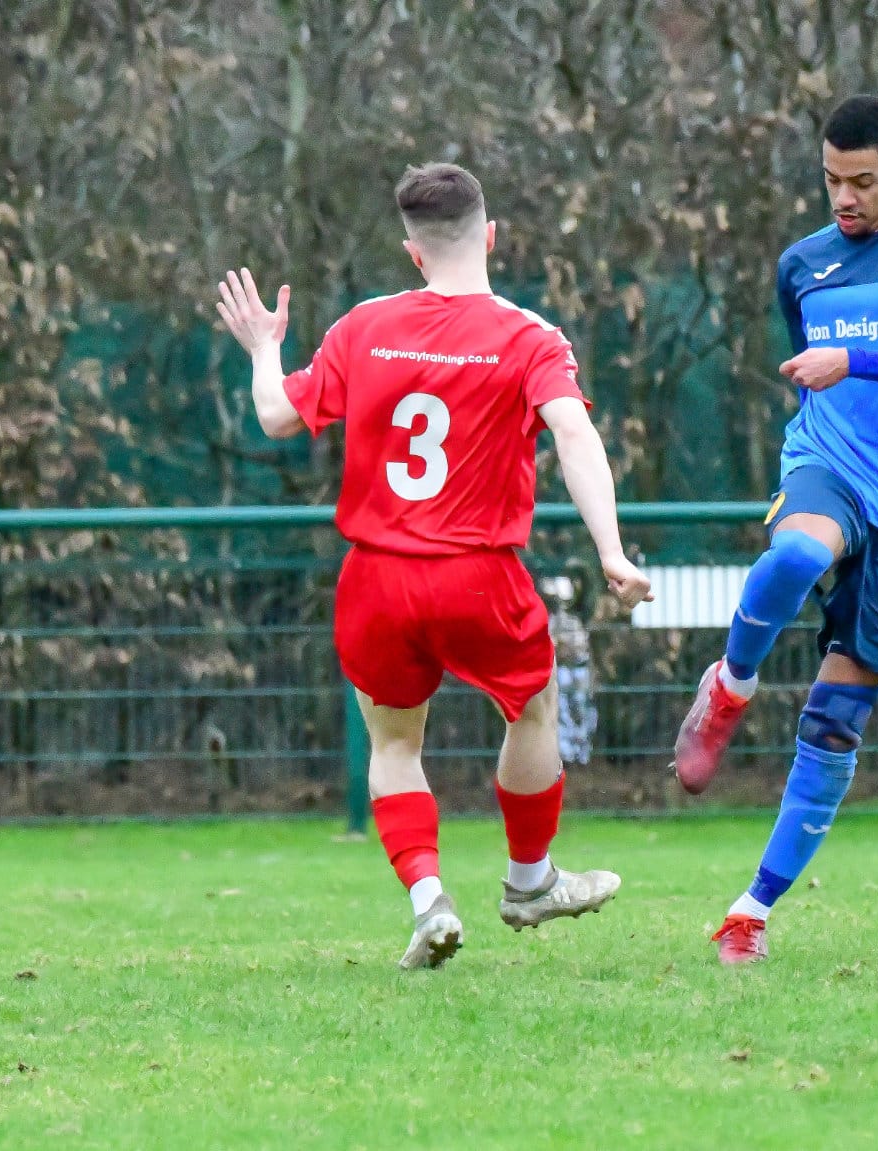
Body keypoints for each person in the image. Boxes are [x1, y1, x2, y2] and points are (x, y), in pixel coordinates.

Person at [215, 162, 653, 970]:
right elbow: (574, 433)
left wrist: (264, 348)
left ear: (412, 252)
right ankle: (530, 880)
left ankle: (428, 901)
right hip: (477, 572)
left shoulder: (363, 326)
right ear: (491, 237)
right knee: (531, 707)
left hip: (377, 576)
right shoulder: (529, 336)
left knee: (393, 744)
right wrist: (611, 551)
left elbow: (275, 414)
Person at [669, 95, 878, 964]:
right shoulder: (801, 263)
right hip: (827, 462)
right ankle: (731, 683)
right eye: (831, 179)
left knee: (834, 724)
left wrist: (853, 357)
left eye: (863, 181)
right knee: (800, 550)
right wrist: (836, 371)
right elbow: (812, 373)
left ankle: (751, 910)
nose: (844, 197)